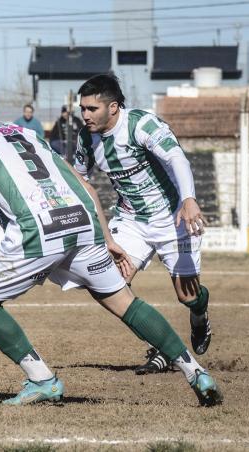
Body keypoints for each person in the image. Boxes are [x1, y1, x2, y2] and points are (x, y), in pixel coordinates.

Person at [0, 76, 223, 407]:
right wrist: (105, 235)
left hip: (38, 230)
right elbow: (83, 182)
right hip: (80, 222)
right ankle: (195, 372)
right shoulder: (24, 132)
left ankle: (42, 379)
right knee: (123, 301)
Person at [74, 74, 212, 375]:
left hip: (172, 217)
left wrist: (188, 199)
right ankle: (164, 348)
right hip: (131, 220)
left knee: (187, 295)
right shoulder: (86, 137)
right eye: (82, 108)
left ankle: (199, 313)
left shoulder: (141, 124)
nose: (85, 115)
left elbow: (177, 158)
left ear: (113, 107)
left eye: (91, 109)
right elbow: (78, 177)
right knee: (111, 285)